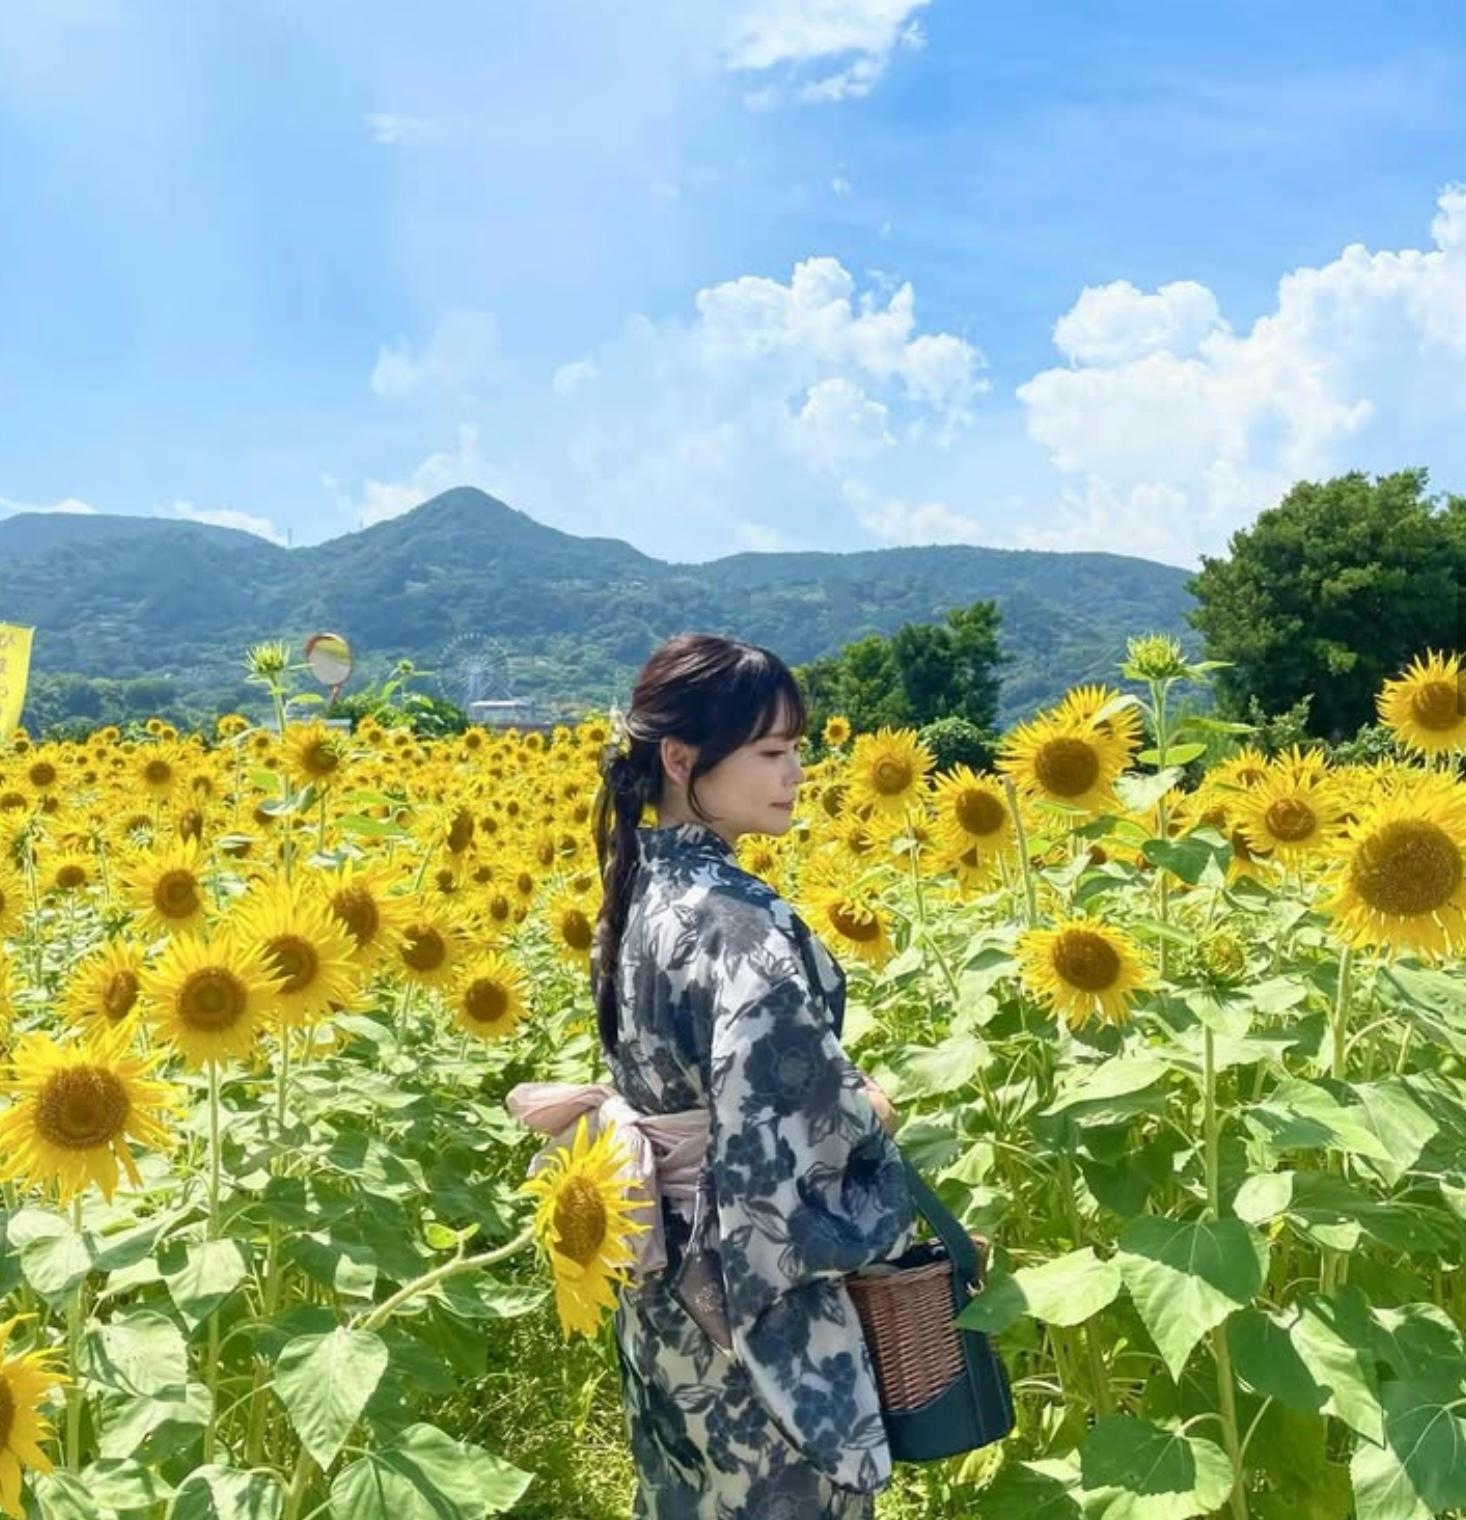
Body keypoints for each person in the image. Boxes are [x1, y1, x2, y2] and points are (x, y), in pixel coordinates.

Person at [590, 631, 918, 1520]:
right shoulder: (744, 926)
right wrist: (869, 1112)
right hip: (744, 1301)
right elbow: (786, 1138)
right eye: (772, 752)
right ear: (682, 757)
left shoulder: (638, 895)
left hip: (663, 1283)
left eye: (798, 750)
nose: (796, 772)